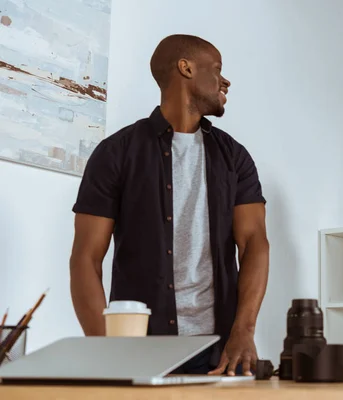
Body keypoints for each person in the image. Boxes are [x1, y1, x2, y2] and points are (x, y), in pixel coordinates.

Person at [69, 34, 269, 376]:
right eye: (217, 69)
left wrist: (244, 332)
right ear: (185, 68)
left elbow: (254, 244)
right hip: (138, 353)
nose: (225, 80)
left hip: (219, 355)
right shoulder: (116, 153)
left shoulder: (234, 157)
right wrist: (104, 349)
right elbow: (85, 259)